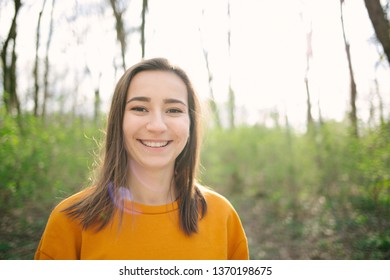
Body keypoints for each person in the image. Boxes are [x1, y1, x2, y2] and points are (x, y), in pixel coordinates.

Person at [34, 57, 249, 260]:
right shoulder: (69, 222)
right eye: (139, 108)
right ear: (119, 120)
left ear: (190, 124)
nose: (156, 125)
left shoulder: (223, 217)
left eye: (173, 110)